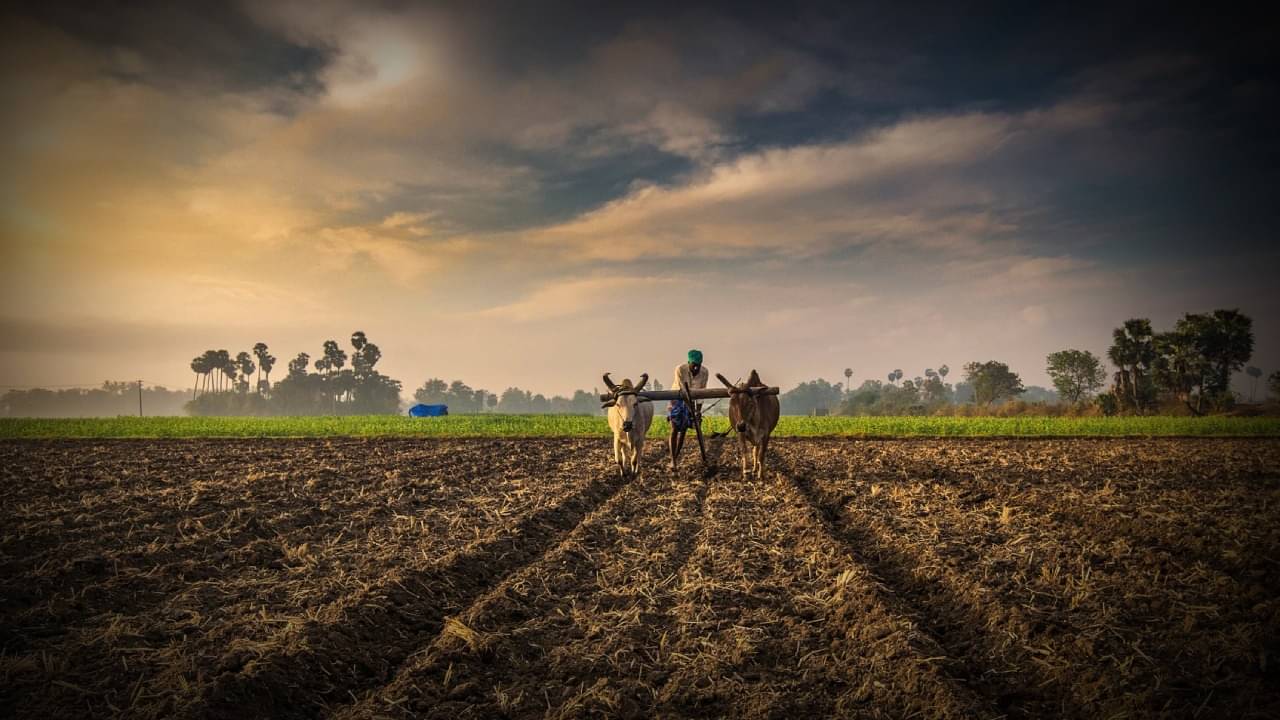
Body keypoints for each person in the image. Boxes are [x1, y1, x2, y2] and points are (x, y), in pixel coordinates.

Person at [668, 349, 710, 470]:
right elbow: (683, 390)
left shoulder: (705, 372)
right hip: (677, 399)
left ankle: (676, 456)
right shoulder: (680, 370)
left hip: (692, 401)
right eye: (694, 365)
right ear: (689, 362)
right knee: (675, 428)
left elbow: (702, 392)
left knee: (684, 429)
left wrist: (698, 411)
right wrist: (691, 409)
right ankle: (673, 459)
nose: (696, 368)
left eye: (698, 365)